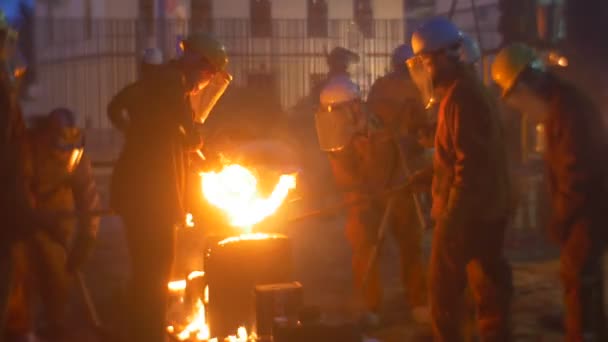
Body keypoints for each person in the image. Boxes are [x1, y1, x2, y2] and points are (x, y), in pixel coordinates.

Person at [108, 32, 231, 342]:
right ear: (199, 65)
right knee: (155, 271)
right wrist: (197, 144)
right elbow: (189, 135)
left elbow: (116, 106)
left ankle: (139, 332)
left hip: (139, 192)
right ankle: (147, 335)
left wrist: (136, 133)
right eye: (208, 75)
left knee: (146, 271)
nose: (205, 84)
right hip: (151, 197)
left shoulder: (157, 83)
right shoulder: (172, 85)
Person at [492, 43, 608, 341]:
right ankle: (587, 327)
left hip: (587, 211)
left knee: (579, 276)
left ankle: (583, 331)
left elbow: (575, 173)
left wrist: (561, 217)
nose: (521, 104)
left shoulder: (568, 111)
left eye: (518, 95)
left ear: (529, 81)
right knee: (581, 277)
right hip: (584, 209)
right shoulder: (561, 106)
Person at [407, 17, 513, 341]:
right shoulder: (463, 92)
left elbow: (471, 167)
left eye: (425, 61)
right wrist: (430, 175)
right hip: (483, 210)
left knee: (443, 295)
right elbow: (460, 156)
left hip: (466, 215)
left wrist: (451, 217)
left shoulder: (461, 98)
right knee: (487, 288)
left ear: (442, 57)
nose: (425, 69)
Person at [316, 76, 428, 327]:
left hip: (398, 189)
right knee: (364, 246)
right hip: (363, 196)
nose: (334, 118)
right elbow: (345, 177)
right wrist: (359, 196)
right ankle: (370, 306)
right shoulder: (334, 136)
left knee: (410, 244)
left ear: (355, 106)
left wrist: (408, 157)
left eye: (339, 111)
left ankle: (419, 301)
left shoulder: (386, 117)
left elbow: (414, 142)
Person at [4, 108, 100, 341]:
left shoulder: (76, 155)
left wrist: (87, 237)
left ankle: (54, 324)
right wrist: (36, 219)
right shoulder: (25, 149)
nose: (62, 156)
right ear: (46, 135)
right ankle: (18, 329)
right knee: (18, 273)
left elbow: (88, 197)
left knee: (57, 274)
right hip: (25, 217)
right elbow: (20, 194)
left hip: (58, 213)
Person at [107, 47, 164, 133]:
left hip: (138, 142)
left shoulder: (133, 91)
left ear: (143, 67)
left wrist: (126, 127)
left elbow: (113, 108)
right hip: (162, 142)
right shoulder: (166, 92)